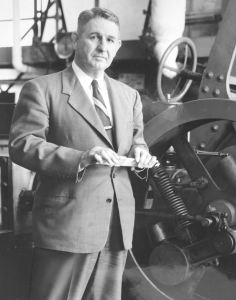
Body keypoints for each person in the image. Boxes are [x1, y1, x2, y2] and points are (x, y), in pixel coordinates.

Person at [9, 7, 157, 300]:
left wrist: (141, 153)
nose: (103, 46)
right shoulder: (41, 89)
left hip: (117, 224)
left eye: (111, 40)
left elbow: (137, 142)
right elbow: (22, 144)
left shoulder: (129, 96)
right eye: (94, 37)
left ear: (118, 46)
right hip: (67, 225)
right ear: (77, 40)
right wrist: (81, 157)